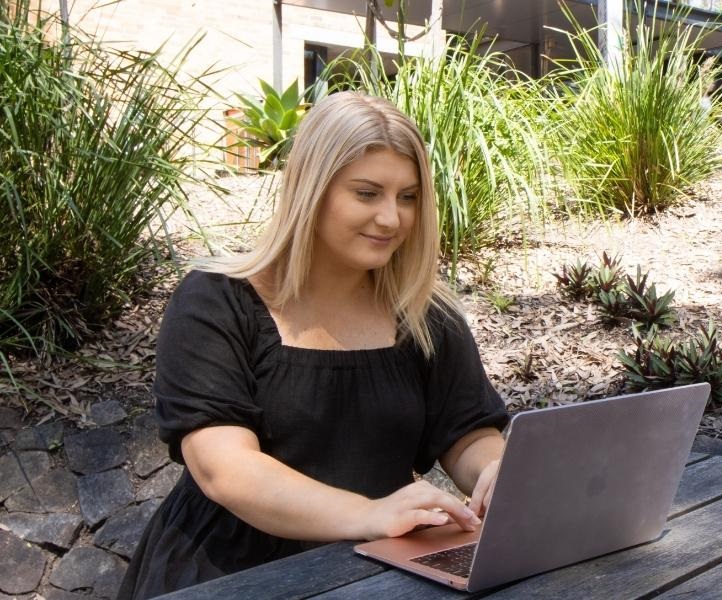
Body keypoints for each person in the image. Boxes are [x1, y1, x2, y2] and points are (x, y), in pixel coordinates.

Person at [117, 92, 509, 599]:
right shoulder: (216, 300)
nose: (392, 219)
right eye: (367, 193)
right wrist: (368, 513)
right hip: (227, 574)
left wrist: (495, 471)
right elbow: (225, 469)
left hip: (376, 568)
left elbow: (466, 430)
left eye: (408, 197)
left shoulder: (424, 313)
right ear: (311, 189)